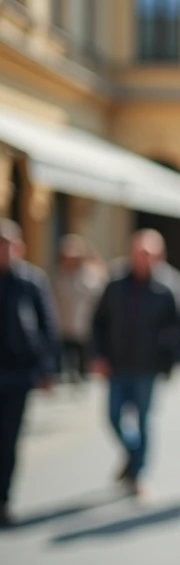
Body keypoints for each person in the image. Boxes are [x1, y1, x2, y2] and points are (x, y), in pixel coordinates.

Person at [91, 230, 180, 496]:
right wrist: (98, 355)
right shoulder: (115, 284)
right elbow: (99, 321)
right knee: (112, 417)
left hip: (148, 367)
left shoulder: (168, 288)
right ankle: (134, 457)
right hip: (117, 365)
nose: (143, 259)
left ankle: (139, 474)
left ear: (159, 256)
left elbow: (179, 328)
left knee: (144, 421)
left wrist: (170, 362)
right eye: (139, 253)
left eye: (149, 254)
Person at [0, 219, 59, 527]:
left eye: (8, 245)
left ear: (19, 248)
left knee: (8, 440)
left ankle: (4, 499)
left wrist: (48, 368)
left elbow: (48, 324)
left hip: (19, 374)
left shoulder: (32, 281)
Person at [52, 234, 107, 387]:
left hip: (84, 325)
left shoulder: (90, 276)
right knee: (65, 358)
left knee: (82, 358)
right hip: (64, 324)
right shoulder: (59, 276)